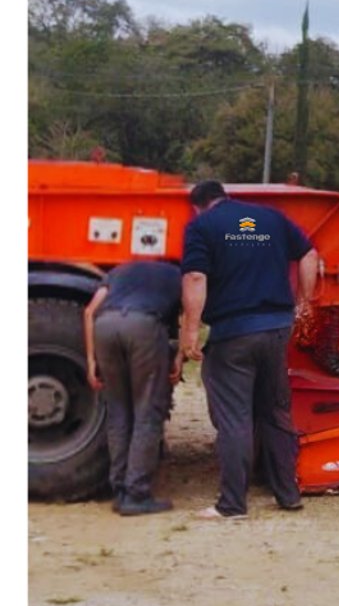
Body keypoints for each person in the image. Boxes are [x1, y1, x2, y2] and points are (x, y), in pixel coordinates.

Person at [178, 180, 319, 520]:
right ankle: (288, 495)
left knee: (234, 418)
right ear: (225, 197)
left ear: (198, 205)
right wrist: (305, 302)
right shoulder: (270, 218)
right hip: (277, 330)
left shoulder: (201, 226)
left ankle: (232, 505)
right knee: (275, 413)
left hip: (234, 334)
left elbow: (195, 277)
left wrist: (190, 331)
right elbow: (309, 254)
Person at [83, 257, 184, 515]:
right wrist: (179, 356)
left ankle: (119, 490)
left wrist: (92, 360)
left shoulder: (120, 270)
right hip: (143, 326)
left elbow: (89, 312)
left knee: (118, 412)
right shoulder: (176, 274)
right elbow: (185, 316)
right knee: (147, 411)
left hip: (105, 326)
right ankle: (137, 494)